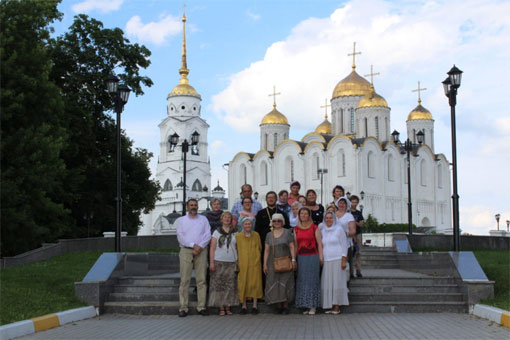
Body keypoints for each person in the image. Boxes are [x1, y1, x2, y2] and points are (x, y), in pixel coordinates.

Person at [176, 199, 211, 317]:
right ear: (187, 207)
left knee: (201, 280)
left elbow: (208, 234)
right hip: (186, 250)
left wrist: (200, 246)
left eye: (195, 205)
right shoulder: (181, 221)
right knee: (185, 280)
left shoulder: (203, 219)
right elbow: (180, 237)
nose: (193, 207)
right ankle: (183, 307)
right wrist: (193, 245)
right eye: (191, 205)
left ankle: (201, 307)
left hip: (201, 250)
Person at [263, 213, 296, 314]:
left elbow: (292, 247)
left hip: (286, 261)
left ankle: (285, 306)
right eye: (274, 221)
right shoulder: (269, 234)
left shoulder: (287, 232)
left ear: (282, 222)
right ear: (272, 222)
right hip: (272, 262)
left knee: (285, 282)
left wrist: (294, 259)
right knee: (274, 282)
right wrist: (264, 264)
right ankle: (278, 305)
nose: (276, 223)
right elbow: (267, 250)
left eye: (279, 221)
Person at [294, 207, 324, 315]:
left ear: (309, 215)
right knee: (302, 281)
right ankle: (306, 305)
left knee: (312, 281)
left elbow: (320, 243)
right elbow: (295, 245)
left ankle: (313, 306)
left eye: (306, 213)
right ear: (299, 215)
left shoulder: (314, 227)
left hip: (312, 256)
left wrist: (321, 257)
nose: (303, 215)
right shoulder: (296, 229)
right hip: (301, 258)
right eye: (301, 213)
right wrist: (294, 259)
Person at [208, 212, 238, 316]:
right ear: (221, 219)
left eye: (229, 217)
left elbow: (237, 247)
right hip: (219, 261)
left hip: (231, 262)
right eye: (225, 217)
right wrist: (211, 262)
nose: (227, 219)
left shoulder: (235, 232)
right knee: (219, 285)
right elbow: (212, 248)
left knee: (230, 285)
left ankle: (228, 306)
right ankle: (221, 307)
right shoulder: (217, 232)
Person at [320, 211, 349, 314]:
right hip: (327, 260)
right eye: (327, 218)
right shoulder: (322, 230)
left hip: (337, 259)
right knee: (328, 284)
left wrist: (343, 260)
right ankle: (330, 305)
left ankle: (337, 306)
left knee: (337, 283)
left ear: (334, 219)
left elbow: (344, 245)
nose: (328, 220)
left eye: (331, 218)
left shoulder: (339, 230)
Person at [236, 218, 263, 315]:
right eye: (246, 224)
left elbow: (260, 247)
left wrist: (257, 259)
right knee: (243, 283)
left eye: (249, 224)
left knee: (255, 283)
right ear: (242, 225)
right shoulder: (238, 236)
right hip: (242, 263)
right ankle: (243, 306)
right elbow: (236, 249)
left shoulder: (256, 235)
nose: (248, 226)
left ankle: (255, 305)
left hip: (254, 263)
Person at [335, 196, 356, 278]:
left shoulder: (349, 216)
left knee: (346, 264)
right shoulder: (333, 215)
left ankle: (346, 284)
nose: (342, 205)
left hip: (346, 244)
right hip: (335, 244)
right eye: (340, 203)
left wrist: (343, 234)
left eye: (344, 203)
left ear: (346, 205)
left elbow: (353, 231)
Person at [350, 195, 364, 277]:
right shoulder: (348, 212)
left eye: (355, 202)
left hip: (358, 234)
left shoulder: (359, 213)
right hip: (350, 234)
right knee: (351, 253)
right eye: (353, 202)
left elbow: (361, 224)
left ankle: (358, 270)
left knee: (358, 253)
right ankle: (351, 271)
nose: (354, 204)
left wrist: (354, 222)